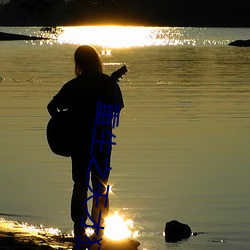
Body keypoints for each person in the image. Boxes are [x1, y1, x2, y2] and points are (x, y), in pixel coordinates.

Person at [47, 45, 124, 243]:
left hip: (79, 142)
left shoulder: (74, 85)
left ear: (79, 63)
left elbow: (51, 106)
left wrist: (64, 121)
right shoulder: (108, 83)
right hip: (102, 142)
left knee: (79, 184)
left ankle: (79, 228)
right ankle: (99, 230)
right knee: (100, 186)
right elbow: (117, 108)